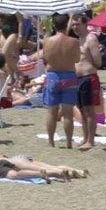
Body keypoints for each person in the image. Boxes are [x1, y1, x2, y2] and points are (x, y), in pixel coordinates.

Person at [42, 13, 80, 148]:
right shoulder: (73, 42)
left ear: (54, 25)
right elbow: (77, 59)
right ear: (67, 25)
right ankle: (69, 142)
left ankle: (51, 141)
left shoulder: (46, 41)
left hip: (52, 76)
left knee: (51, 111)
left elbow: (45, 58)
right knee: (68, 113)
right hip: (68, 76)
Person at [73, 12, 103, 150]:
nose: (75, 27)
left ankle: (90, 140)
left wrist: (87, 62)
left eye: (78, 24)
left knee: (89, 111)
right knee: (82, 110)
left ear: (85, 24)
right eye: (73, 24)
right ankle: (85, 138)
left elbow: (98, 62)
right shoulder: (78, 39)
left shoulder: (91, 39)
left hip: (88, 77)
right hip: (78, 78)